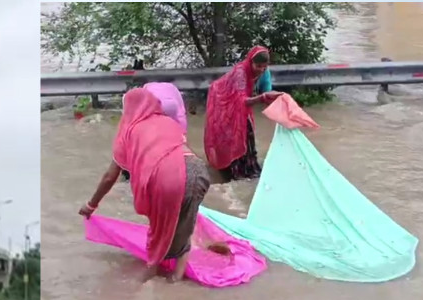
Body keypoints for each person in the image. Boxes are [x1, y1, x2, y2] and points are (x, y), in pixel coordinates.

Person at [78, 88, 213, 283]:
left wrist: (91, 205)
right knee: (184, 226)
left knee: (158, 233)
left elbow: (110, 176)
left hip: (167, 176)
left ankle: (148, 283)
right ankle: (176, 282)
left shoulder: (130, 130)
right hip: (198, 171)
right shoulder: (168, 121)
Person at [204, 46, 282, 181]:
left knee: (247, 133)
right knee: (231, 134)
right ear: (250, 62)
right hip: (223, 101)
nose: (261, 70)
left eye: (264, 66)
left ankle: (249, 168)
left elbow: (266, 93)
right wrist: (263, 97)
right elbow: (242, 101)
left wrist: (282, 108)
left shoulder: (265, 72)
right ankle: (233, 170)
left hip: (241, 104)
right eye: (258, 66)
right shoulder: (240, 72)